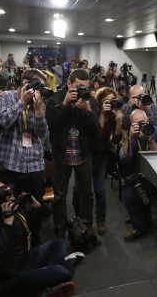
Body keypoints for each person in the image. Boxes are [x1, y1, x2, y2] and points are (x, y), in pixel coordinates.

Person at [0, 181, 81, 297]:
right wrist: (7, 225)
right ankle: (59, 271)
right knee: (63, 271)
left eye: (7, 189)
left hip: (25, 258)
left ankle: (47, 283)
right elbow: (0, 261)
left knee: (59, 243)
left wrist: (38, 206)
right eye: (3, 193)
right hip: (11, 277)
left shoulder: (16, 209)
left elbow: (46, 213)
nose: (9, 193)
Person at [0, 69, 49, 244]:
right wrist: (22, 102)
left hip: (34, 164)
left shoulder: (39, 101)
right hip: (10, 164)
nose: (40, 89)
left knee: (35, 207)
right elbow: (4, 122)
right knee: (11, 207)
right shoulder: (6, 96)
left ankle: (36, 240)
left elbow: (41, 133)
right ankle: (14, 242)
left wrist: (39, 111)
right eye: (38, 85)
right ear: (25, 81)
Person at [45, 69, 101, 237]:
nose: (82, 90)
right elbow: (52, 125)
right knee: (60, 195)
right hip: (61, 153)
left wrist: (88, 112)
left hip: (83, 153)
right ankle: (60, 229)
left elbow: (96, 131)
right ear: (69, 84)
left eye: (85, 87)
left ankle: (86, 227)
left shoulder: (89, 100)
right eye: (78, 87)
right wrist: (64, 105)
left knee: (87, 194)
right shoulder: (55, 98)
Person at [119, 109, 157, 241]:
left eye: (143, 122)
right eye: (136, 124)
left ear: (148, 120)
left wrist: (150, 139)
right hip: (141, 174)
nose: (141, 126)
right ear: (131, 125)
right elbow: (123, 157)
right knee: (128, 194)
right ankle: (140, 227)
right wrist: (130, 138)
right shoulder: (132, 135)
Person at [86, 87, 123, 234]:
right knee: (81, 190)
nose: (108, 103)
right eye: (105, 101)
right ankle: (83, 220)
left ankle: (101, 220)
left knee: (100, 190)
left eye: (111, 101)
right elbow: (96, 134)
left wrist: (119, 123)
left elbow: (115, 139)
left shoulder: (114, 115)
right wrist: (102, 113)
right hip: (87, 155)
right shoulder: (92, 113)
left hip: (101, 155)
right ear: (100, 101)